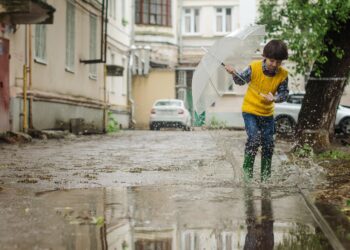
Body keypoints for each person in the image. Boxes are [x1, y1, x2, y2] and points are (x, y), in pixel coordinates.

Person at [225, 39, 289, 181]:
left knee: (268, 143)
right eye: (272, 61)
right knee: (254, 139)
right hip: (250, 111)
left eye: (279, 62)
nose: (274, 65)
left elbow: (284, 94)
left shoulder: (283, 74)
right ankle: (247, 177)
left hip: (267, 113)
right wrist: (233, 72)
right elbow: (240, 81)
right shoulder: (254, 68)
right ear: (265, 57)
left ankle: (265, 178)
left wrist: (275, 98)